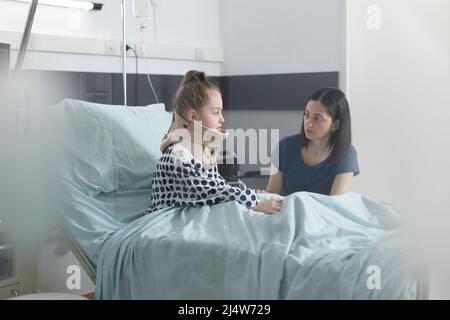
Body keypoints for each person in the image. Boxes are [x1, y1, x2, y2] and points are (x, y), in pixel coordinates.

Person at [147, 70, 282, 214]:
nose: (222, 119)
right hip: (170, 216)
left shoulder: (203, 150)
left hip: (197, 209)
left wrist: (253, 195)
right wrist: (255, 202)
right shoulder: (177, 156)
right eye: (216, 112)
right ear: (193, 116)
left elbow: (218, 188)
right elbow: (210, 191)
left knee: (280, 200)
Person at [264, 87, 359, 196]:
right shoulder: (284, 147)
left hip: (323, 213)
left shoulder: (347, 154)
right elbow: (272, 194)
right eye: (306, 114)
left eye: (317, 118)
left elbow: (334, 204)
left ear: (336, 124)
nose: (308, 123)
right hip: (288, 211)